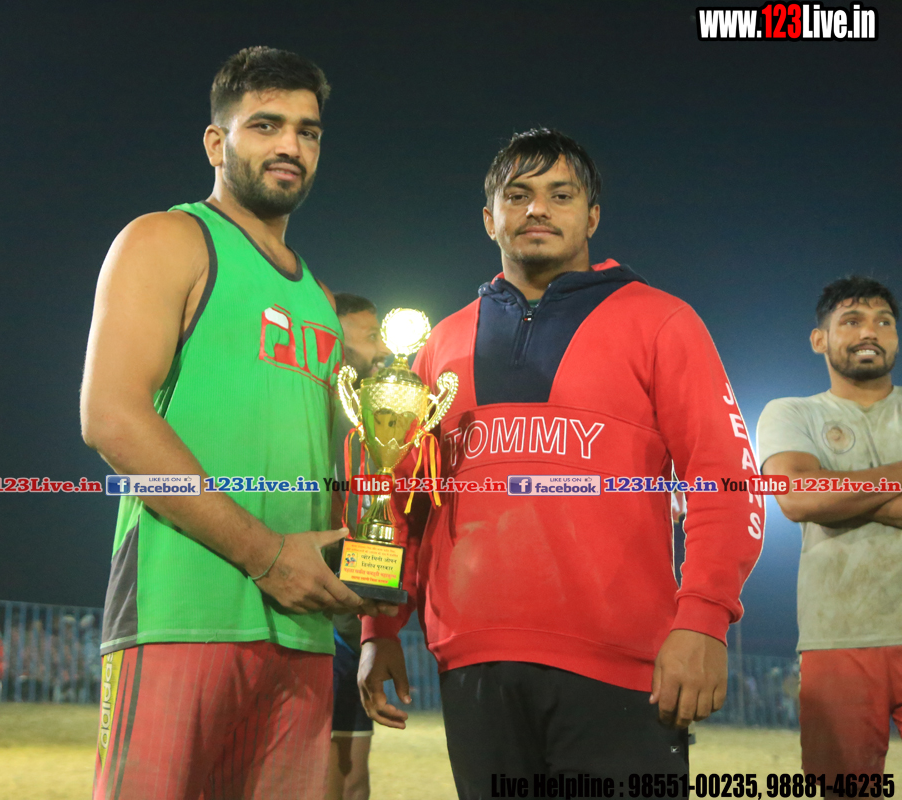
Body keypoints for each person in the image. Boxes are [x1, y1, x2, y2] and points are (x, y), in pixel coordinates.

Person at [358, 128, 764, 792]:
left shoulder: (662, 321)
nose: (537, 210)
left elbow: (727, 481)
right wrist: (377, 624)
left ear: (592, 216)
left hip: (623, 669)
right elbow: (400, 497)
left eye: (560, 195)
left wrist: (705, 617)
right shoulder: (439, 346)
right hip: (473, 665)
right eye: (517, 195)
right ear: (488, 218)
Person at [80, 46, 392, 800]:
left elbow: (343, 473)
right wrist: (266, 556)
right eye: (266, 125)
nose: (291, 145)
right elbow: (111, 418)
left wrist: (375, 603)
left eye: (308, 131)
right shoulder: (167, 238)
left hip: (303, 629)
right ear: (217, 143)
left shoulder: (320, 299)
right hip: (181, 612)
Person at [756, 276, 902, 775]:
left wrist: (835, 492)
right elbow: (797, 497)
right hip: (837, 636)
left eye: (884, 321)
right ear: (819, 339)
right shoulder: (791, 412)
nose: (870, 332)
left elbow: (814, 493)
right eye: (852, 321)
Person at [327, 292, 391, 800]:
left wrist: (374, 624)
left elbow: (377, 517)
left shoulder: (377, 427)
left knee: (353, 780)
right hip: (304, 618)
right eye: (370, 337)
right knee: (315, 777)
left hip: (351, 625)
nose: (383, 350)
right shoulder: (302, 415)